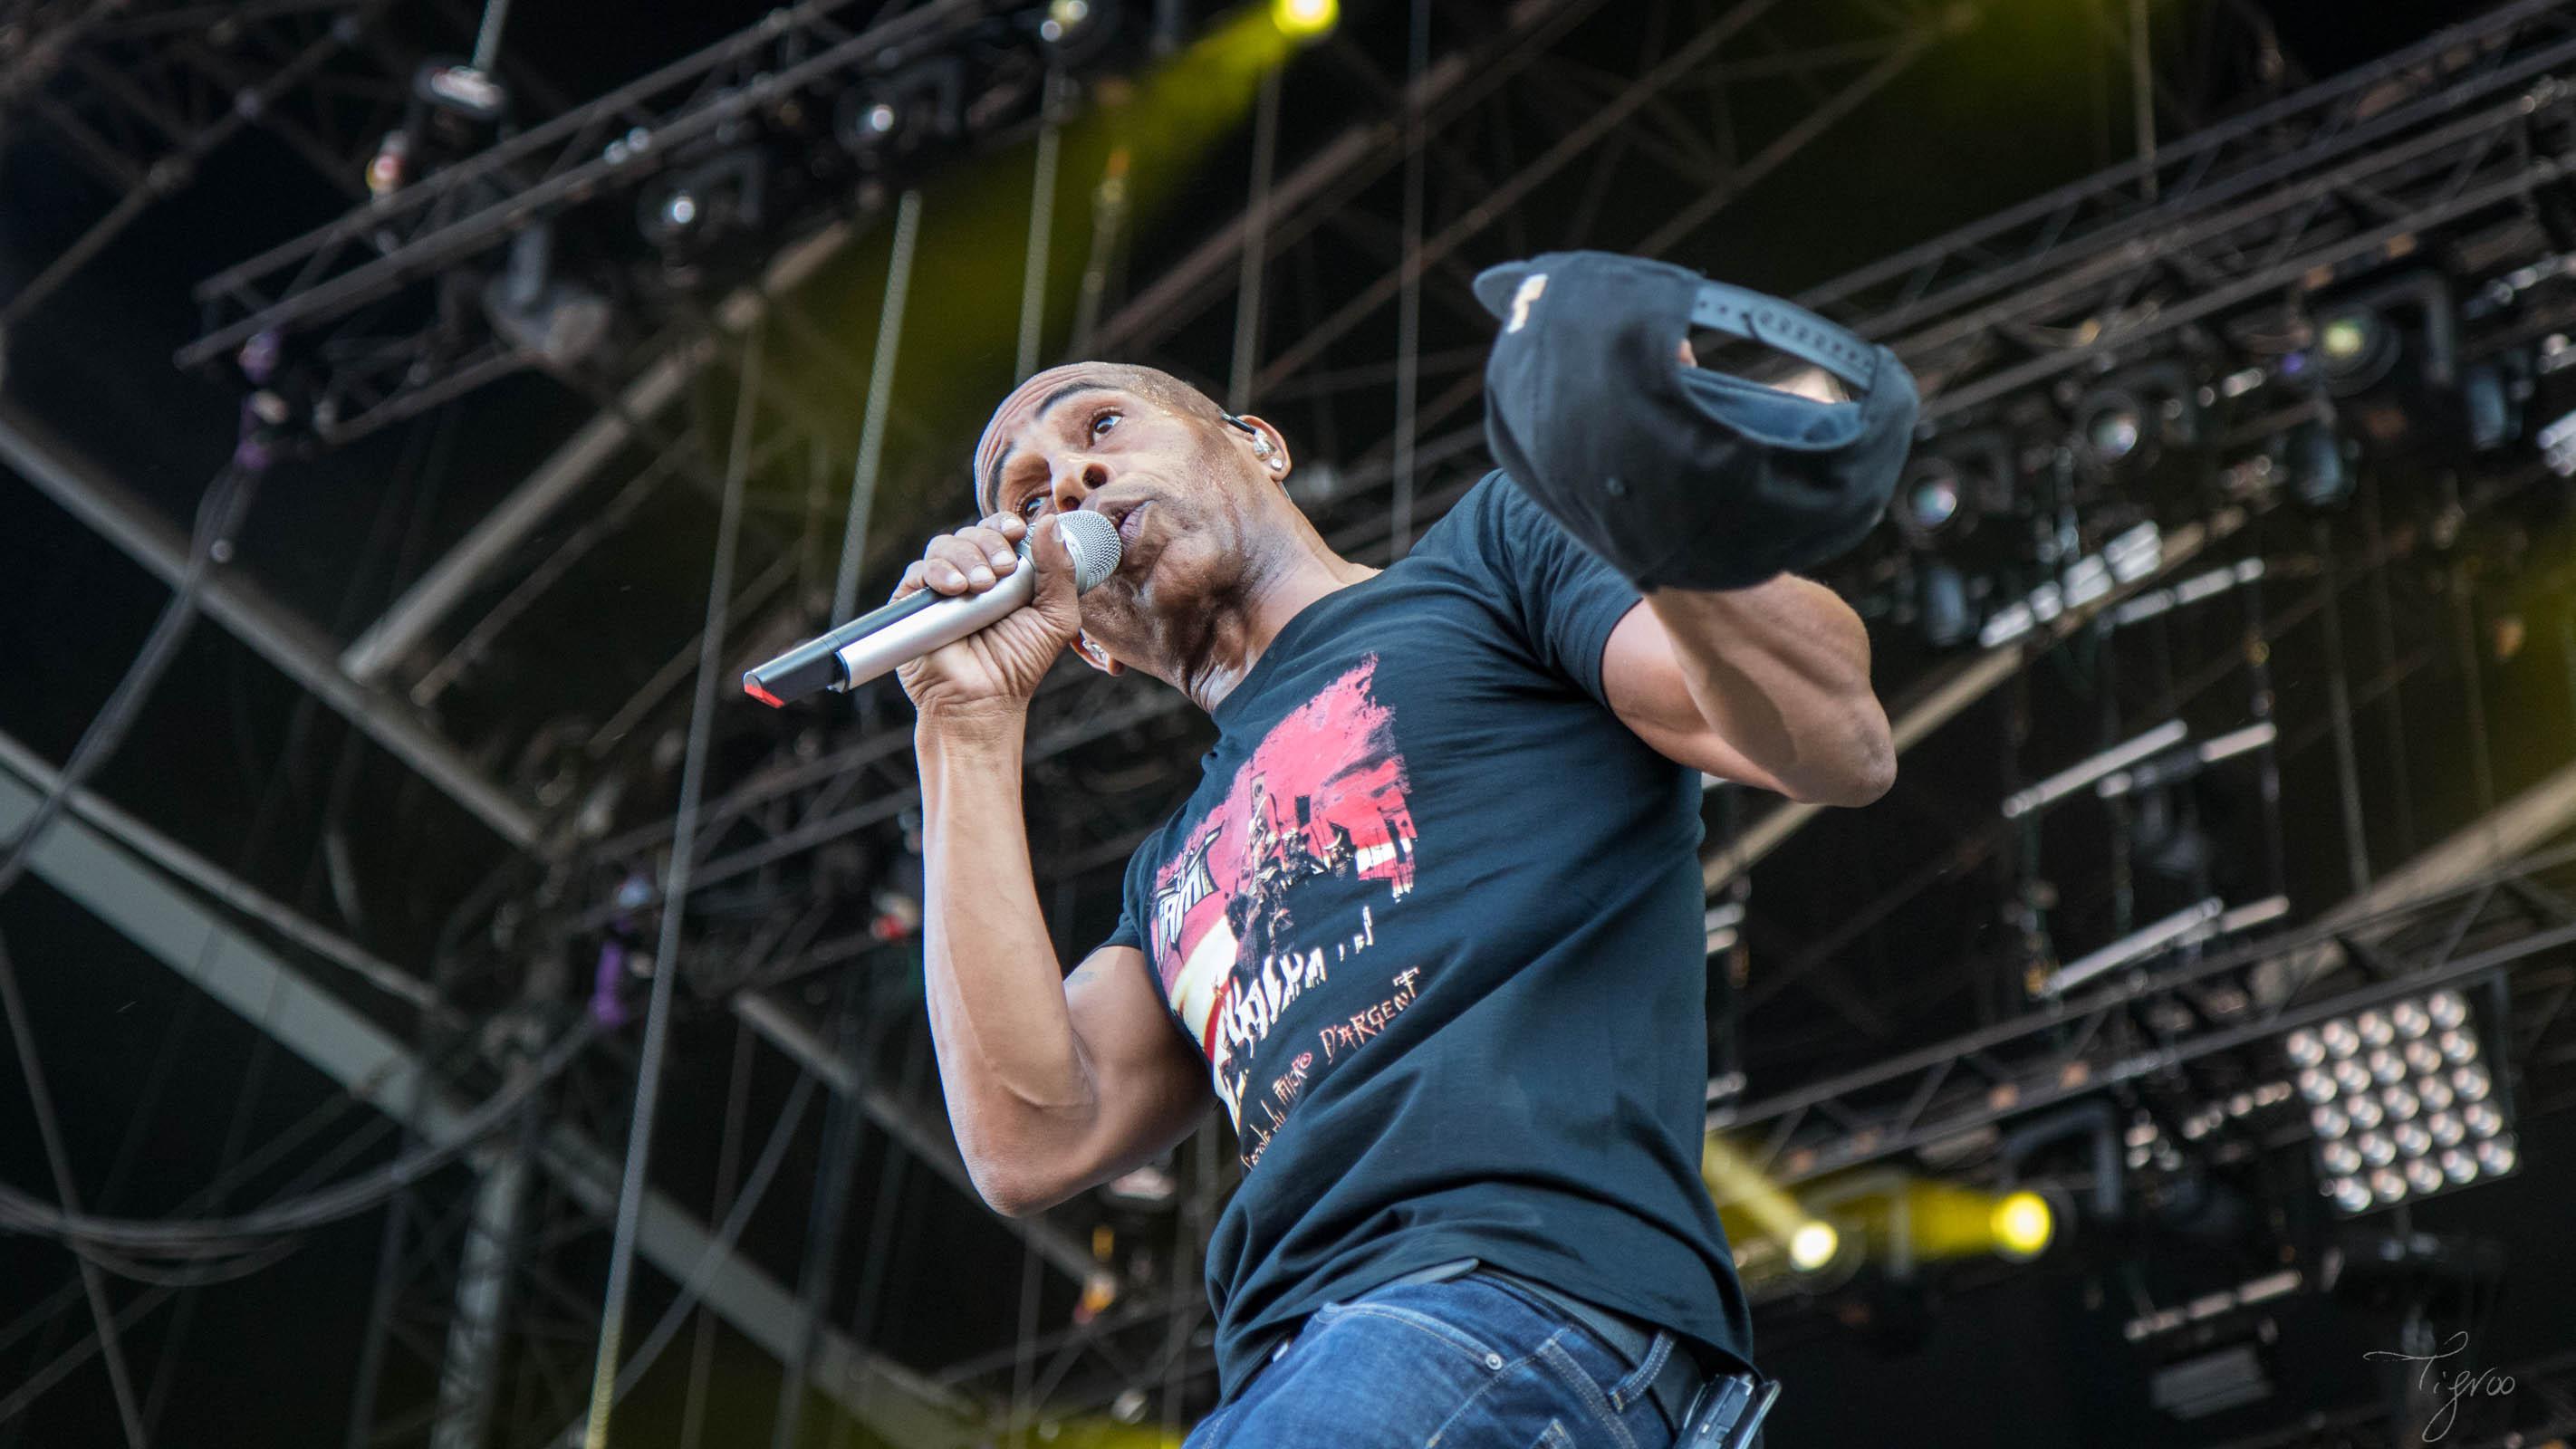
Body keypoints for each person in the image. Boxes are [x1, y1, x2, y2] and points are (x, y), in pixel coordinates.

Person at [894, 252, 1913, 1447]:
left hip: (1505, 1298)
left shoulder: (1492, 559)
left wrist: (1650, 504)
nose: (1070, 476)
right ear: (1086, 647)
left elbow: (1835, 741)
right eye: (1027, 498)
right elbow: (1030, 1138)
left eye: (1101, 425)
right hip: (1302, 1363)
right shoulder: (1169, 870)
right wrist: (962, 728)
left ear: (1256, 444)